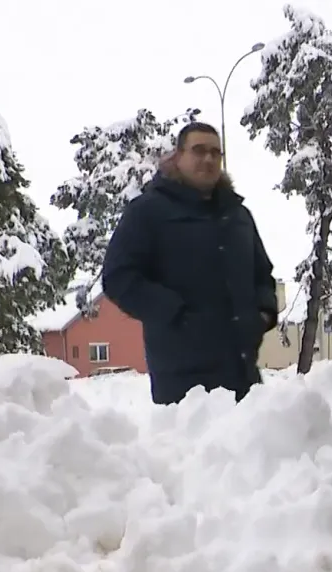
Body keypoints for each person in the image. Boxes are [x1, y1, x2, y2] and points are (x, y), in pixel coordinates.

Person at [101, 121, 279, 405]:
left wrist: (263, 315)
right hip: (183, 385)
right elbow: (119, 277)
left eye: (215, 153)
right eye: (198, 150)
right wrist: (176, 313)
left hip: (243, 375)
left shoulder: (238, 215)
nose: (208, 159)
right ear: (178, 156)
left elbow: (262, 275)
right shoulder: (148, 211)